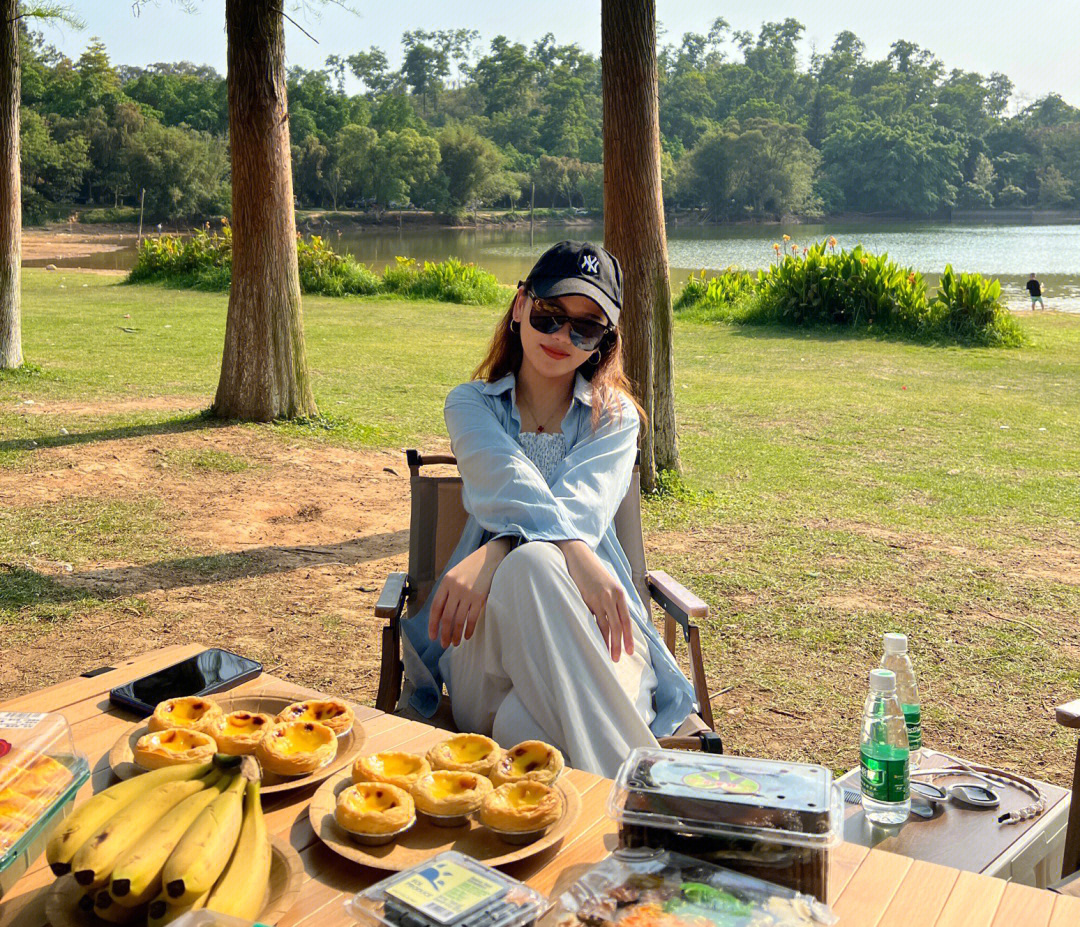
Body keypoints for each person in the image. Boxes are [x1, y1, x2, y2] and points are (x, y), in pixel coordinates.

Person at [400, 241, 697, 776]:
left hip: (597, 632)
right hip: (481, 644)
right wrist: (561, 556)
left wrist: (497, 548)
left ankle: (614, 811)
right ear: (520, 306)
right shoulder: (471, 405)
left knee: (522, 727)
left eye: (585, 328)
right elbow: (503, 485)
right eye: (550, 315)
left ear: (604, 341)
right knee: (535, 565)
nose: (563, 337)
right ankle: (646, 800)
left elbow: (584, 503)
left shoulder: (616, 417)